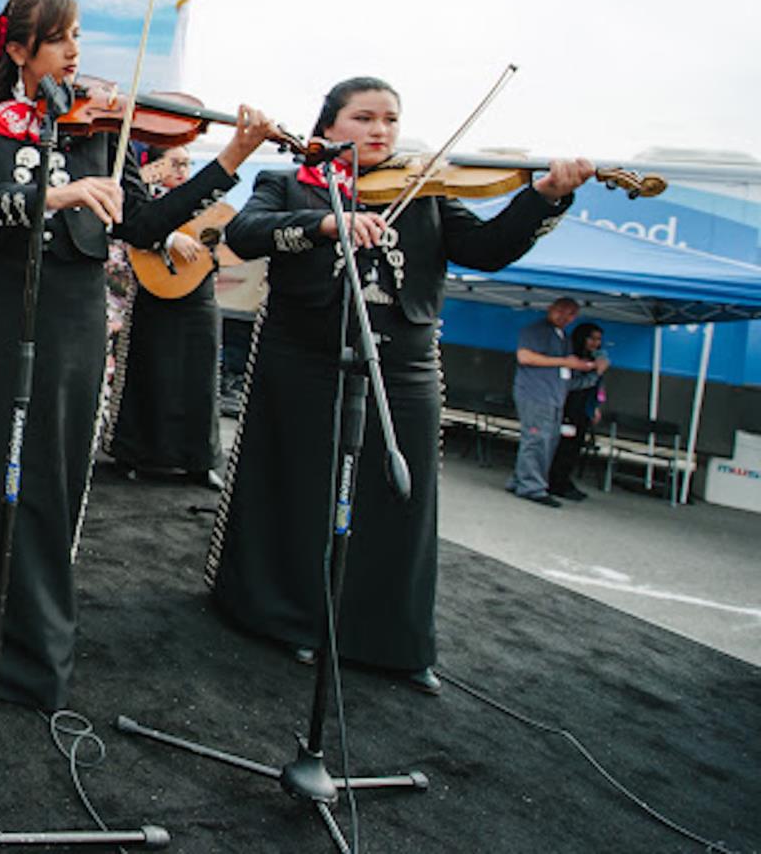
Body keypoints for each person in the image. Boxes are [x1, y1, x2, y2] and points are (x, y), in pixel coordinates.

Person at [0, 0, 269, 711]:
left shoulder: (101, 133)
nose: (77, 52)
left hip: (74, 317)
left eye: (78, 36)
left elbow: (148, 224)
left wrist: (230, 157)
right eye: (61, 38)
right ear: (19, 50)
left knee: (50, 474)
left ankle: (33, 646)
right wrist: (57, 196)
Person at [206, 77, 593, 694]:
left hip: (404, 364)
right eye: (363, 117)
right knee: (299, 489)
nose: (380, 129)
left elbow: (488, 249)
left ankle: (391, 637)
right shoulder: (289, 181)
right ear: (329, 128)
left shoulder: (428, 190)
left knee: (397, 500)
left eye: (390, 118)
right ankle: (291, 618)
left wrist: (544, 196)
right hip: (304, 357)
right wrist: (325, 225)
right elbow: (247, 234)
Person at [106, 143, 224, 485]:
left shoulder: (204, 199)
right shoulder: (140, 193)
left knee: (199, 377)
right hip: (151, 292)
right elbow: (130, 228)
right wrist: (168, 237)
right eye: (175, 163)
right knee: (147, 371)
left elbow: (224, 237)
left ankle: (198, 460)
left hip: (197, 294)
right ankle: (133, 453)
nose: (182, 170)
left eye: (188, 164)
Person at [509, 297, 601, 506]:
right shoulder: (535, 330)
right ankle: (531, 487)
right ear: (551, 308)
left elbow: (566, 372)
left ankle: (520, 480)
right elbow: (525, 357)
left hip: (554, 396)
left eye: (570, 314)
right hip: (536, 395)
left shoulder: (563, 337)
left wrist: (586, 371)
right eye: (561, 311)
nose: (564, 317)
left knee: (547, 442)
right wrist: (565, 361)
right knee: (536, 441)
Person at [550, 321, 607, 501]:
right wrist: (594, 373)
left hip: (584, 408)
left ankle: (564, 480)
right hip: (569, 407)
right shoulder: (572, 357)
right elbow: (571, 384)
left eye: (598, 340)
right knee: (564, 446)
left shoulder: (595, 358)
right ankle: (555, 481)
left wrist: (596, 406)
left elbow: (599, 387)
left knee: (575, 447)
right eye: (592, 338)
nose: (595, 343)